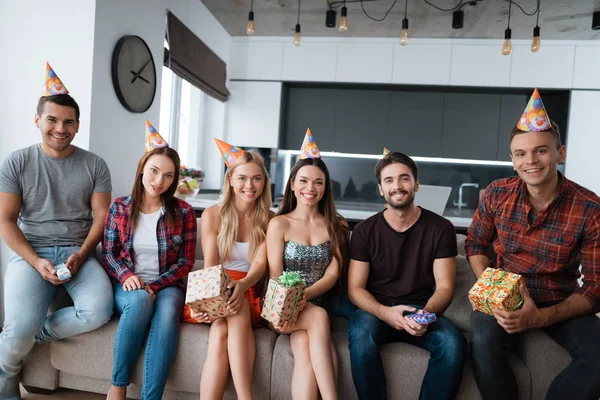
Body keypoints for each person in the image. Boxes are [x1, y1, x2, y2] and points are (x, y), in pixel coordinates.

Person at [465, 88, 600, 400]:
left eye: (541, 151)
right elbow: (475, 244)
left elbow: (595, 287)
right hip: (504, 290)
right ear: (512, 160)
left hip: (558, 297)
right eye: (521, 154)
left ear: (560, 153)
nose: (531, 161)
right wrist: (490, 284)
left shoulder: (590, 208)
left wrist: (539, 317)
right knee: (482, 339)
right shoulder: (496, 194)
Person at [0, 63, 114, 399]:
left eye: (68, 122)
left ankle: (35, 334)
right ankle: (6, 383)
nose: (60, 128)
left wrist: (82, 254)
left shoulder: (95, 165)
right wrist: (36, 262)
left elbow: (101, 217)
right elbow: (6, 220)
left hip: (78, 252)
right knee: (16, 329)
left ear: (78, 126)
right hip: (30, 253)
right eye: (52, 119)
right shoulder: (16, 162)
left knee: (97, 311)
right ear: (38, 120)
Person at [347, 150, 466, 400]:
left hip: (420, 310)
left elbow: (445, 287)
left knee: (453, 343)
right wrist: (384, 313)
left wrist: (424, 316)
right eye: (389, 180)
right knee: (361, 339)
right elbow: (355, 288)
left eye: (404, 178)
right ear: (380, 189)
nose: (397, 186)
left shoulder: (441, 228)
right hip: (375, 310)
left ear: (416, 184)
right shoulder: (364, 231)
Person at [102, 121, 196, 400]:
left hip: (168, 286)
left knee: (167, 314)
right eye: (154, 171)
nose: (159, 181)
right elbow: (108, 253)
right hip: (128, 284)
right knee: (140, 301)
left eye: (168, 176)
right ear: (142, 168)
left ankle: (151, 397)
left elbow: (186, 261)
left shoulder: (184, 212)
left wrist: (156, 286)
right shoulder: (119, 207)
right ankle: (117, 388)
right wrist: (127, 277)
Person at [181, 139, 271, 400]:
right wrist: (209, 303)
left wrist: (242, 285)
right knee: (220, 331)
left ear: (264, 182)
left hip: (250, 289)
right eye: (242, 178)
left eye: (256, 179)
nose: (249, 186)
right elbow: (210, 265)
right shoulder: (213, 214)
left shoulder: (270, 218)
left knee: (238, 300)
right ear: (230, 179)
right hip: (216, 286)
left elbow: (259, 266)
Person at [266, 129, 349, 400]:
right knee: (319, 318)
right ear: (292, 184)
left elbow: (334, 272)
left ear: (326, 187)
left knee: (307, 353)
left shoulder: (337, 225)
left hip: (315, 305)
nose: (310, 189)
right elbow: (275, 276)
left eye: (318, 182)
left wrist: (307, 296)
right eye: (303, 181)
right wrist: (294, 299)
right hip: (282, 308)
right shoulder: (279, 224)